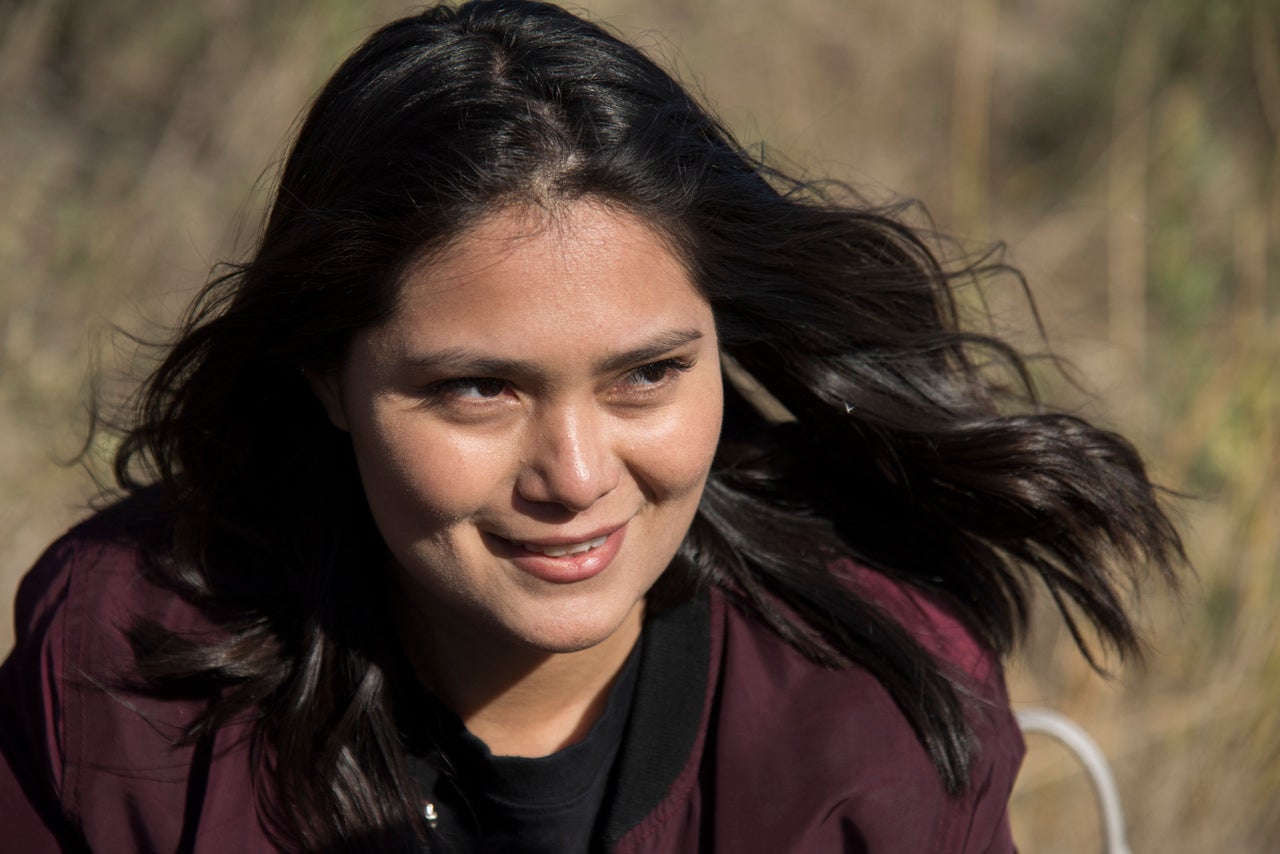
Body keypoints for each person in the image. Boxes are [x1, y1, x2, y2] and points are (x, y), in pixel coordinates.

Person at [0, 1, 1185, 851]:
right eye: (479, 389)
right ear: (326, 375)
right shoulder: (121, 671)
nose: (574, 475)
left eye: (647, 375)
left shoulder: (863, 710)